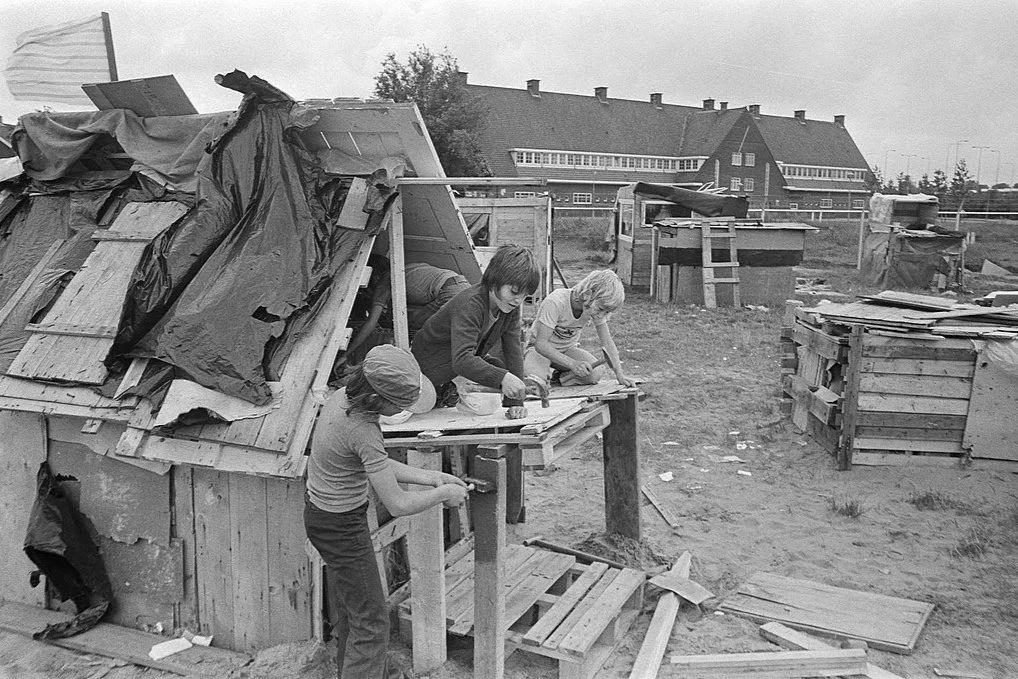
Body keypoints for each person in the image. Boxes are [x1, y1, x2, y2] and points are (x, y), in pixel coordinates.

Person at [304, 344, 468, 679]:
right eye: (400, 406)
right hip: (341, 526)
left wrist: (430, 477)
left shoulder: (343, 399)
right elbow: (398, 504)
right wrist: (442, 495)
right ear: (379, 399)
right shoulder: (361, 429)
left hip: (323, 517)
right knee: (373, 621)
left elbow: (375, 461)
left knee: (357, 612)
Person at [411, 244, 541, 419]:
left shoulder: (511, 307)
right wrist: (503, 378)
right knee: (407, 411)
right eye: (515, 291)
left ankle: (451, 390)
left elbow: (513, 351)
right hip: (428, 366)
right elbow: (462, 360)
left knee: (487, 405)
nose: (519, 300)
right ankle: (441, 390)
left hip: (458, 366)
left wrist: (516, 401)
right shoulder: (470, 303)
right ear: (495, 280)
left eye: (525, 296)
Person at [524, 269, 636, 388]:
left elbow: (608, 343)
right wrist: (573, 364)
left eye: (606, 312)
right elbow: (540, 345)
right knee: (536, 381)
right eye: (601, 309)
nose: (601, 315)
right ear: (587, 295)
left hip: (566, 351)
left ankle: (558, 378)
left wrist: (620, 375)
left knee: (595, 373)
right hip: (540, 352)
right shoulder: (556, 301)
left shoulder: (594, 307)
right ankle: (536, 371)